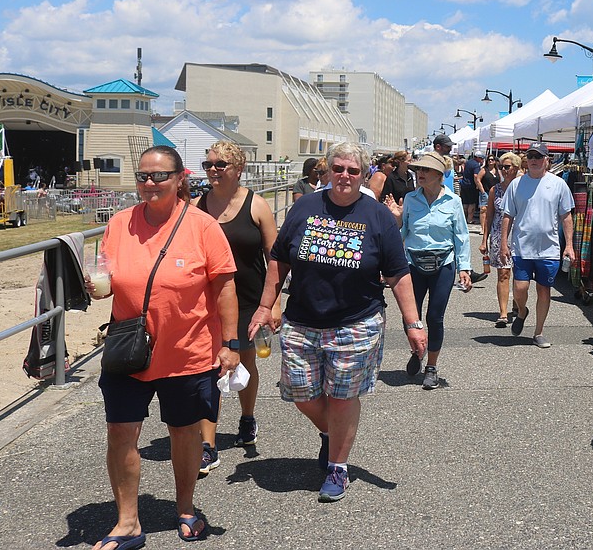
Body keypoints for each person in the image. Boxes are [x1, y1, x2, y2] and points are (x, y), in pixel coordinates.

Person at [249, 142, 427, 503]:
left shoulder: (376, 216)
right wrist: (265, 306)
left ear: (363, 174)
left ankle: (338, 467)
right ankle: (334, 434)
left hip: (356, 322)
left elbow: (398, 274)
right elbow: (279, 261)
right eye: (338, 169)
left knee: (343, 397)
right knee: (301, 393)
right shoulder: (305, 206)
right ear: (327, 171)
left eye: (353, 170)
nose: (345, 176)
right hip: (302, 320)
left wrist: (413, 323)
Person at [87, 145, 239, 548]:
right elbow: (109, 277)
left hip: (188, 352)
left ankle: (186, 507)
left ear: (179, 179)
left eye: (159, 176)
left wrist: (231, 343)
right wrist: (95, 287)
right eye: (143, 176)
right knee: (120, 431)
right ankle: (127, 522)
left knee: (184, 432)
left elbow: (224, 288)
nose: (150, 184)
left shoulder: (203, 226)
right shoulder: (119, 223)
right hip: (128, 350)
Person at [195, 141, 279, 473]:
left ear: (238, 168)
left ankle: (247, 418)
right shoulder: (195, 206)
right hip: (207, 302)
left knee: (246, 362)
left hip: (249, 300)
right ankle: (208, 444)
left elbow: (274, 257)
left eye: (220, 164)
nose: (213, 170)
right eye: (208, 164)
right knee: (208, 370)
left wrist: (273, 304)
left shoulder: (257, 205)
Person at [385, 154, 472, 390]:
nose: (420, 174)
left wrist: (465, 268)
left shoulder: (453, 201)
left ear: (439, 174)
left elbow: (461, 236)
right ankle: (418, 348)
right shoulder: (410, 199)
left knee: (435, 317)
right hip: (413, 262)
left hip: (444, 263)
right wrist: (396, 220)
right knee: (410, 316)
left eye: (426, 170)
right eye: (418, 170)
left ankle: (431, 367)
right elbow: (402, 233)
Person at [499, 142, 575, 348]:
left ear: (546, 160)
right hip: (522, 247)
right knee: (520, 287)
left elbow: (566, 216)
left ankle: (538, 332)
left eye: (538, 157)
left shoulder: (558, 184)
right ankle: (522, 312)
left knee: (544, 290)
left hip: (548, 249)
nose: (534, 160)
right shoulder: (517, 184)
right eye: (531, 156)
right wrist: (503, 243)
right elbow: (507, 216)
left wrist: (569, 245)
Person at [481, 152, 521, 327]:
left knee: (519, 275)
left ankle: (517, 305)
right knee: (503, 273)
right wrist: (484, 240)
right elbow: (489, 216)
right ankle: (503, 313)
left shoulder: (523, 188)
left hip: (520, 235)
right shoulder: (494, 190)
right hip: (499, 236)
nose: (503, 170)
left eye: (507, 167)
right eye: (501, 167)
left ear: (516, 168)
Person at [459, 150, 483, 224]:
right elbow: (476, 176)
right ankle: (469, 219)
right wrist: (477, 185)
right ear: (478, 158)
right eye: (481, 158)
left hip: (464, 185)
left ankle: (464, 218)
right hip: (471, 186)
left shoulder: (468, 162)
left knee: (465, 203)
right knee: (472, 204)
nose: (482, 160)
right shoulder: (476, 165)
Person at [477, 154, 497, 230]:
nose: (490, 161)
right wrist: (482, 191)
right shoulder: (484, 170)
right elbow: (478, 180)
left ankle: (491, 227)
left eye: (492, 159)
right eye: (489, 160)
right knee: (483, 210)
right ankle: (483, 228)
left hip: (495, 193)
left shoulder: (497, 171)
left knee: (494, 210)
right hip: (485, 191)